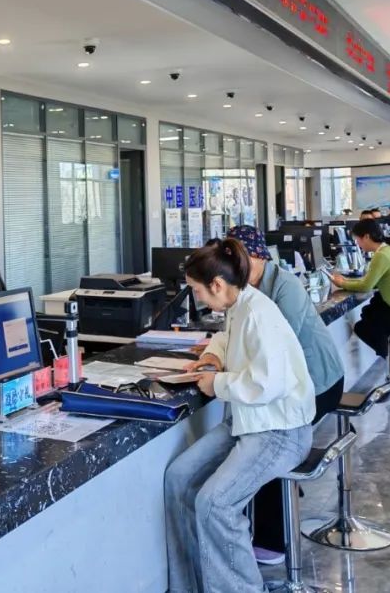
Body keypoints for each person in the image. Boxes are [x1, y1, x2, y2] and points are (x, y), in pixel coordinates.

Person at [164, 238, 315, 593]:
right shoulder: (238, 305)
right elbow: (225, 337)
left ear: (217, 284)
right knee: (179, 478)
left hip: (280, 431)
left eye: (197, 290)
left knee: (215, 505)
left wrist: (217, 383)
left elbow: (268, 383)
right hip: (249, 423)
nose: (197, 298)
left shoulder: (258, 314)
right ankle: (189, 585)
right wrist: (212, 357)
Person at [227, 225, 345, 566]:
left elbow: (277, 343)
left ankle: (273, 540)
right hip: (294, 385)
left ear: (257, 255)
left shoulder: (285, 285)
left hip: (320, 382)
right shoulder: (248, 289)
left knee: (266, 447)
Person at [330, 218, 390, 381]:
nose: (358, 244)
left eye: (358, 240)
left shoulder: (382, 255)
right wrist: (347, 281)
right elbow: (372, 282)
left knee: (364, 326)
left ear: (366, 236)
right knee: (370, 314)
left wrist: (342, 283)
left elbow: (366, 286)